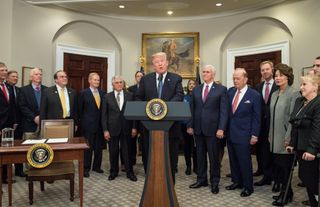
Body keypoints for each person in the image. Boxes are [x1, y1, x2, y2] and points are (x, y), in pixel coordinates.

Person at [135, 52, 184, 183]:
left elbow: (179, 96)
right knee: (150, 155)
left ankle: (170, 182)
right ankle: (150, 180)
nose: (160, 63)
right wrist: (149, 108)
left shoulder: (176, 79)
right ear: (153, 65)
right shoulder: (146, 79)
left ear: (167, 63)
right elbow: (138, 97)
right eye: (157, 62)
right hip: (149, 126)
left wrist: (163, 108)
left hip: (170, 127)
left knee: (170, 157)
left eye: (162, 61)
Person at [187, 65, 228, 194]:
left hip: (214, 130)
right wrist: (190, 125)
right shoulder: (196, 90)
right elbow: (191, 110)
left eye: (207, 72)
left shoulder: (221, 90)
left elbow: (224, 111)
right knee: (200, 156)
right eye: (203, 72)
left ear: (213, 74)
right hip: (198, 129)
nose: (204, 74)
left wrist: (221, 128)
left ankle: (214, 182)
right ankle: (201, 179)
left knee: (214, 157)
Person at [225, 68, 261, 197]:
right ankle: (237, 182)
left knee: (244, 161)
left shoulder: (254, 95)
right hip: (230, 133)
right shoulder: (230, 92)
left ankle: (248, 186)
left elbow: (257, 117)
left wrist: (255, 134)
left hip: (245, 134)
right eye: (234, 78)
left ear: (245, 79)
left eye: (238, 78)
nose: (235, 80)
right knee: (233, 160)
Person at [268, 63, 300, 206]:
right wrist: (270, 134)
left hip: (285, 137)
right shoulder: (274, 93)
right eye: (276, 76)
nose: (278, 78)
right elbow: (272, 117)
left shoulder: (293, 93)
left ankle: (285, 195)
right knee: (279, 167)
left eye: (281, 75)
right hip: (274, 136)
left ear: (288, 77)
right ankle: (287, 192)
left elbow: (293, 119)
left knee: (286, 168)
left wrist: (289, 138)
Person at [287, 75, 320, 207]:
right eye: (301, 84)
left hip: (311, 150)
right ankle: (314, 200)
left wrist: (311, 150)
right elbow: (295, 123)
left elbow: (317, 129)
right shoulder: (300, 101)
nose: (301, 87)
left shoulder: (318, 103)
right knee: (304, 176)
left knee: (312, 178)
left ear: (315, 86)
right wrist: (291, 143)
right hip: (300, 146)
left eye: (304, 84)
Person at [101, 75, 137, 182]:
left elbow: (134, 113)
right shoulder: (107, 97)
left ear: (123, 83)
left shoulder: (130, 95)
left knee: (127, 152)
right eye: (116, 82)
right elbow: (104, 115)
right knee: (113, 151)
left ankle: (130, 172)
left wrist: (134, 127)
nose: (119, 84)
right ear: (112, 84)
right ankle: (113, 172)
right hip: (112, 129)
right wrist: (105, 130)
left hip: (127, 128)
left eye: (121, 82)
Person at [254, 61, 279, 190]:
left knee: (275, 153)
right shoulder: (258, 86)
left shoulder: (279, 85)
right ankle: (267, 176)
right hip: (262, 126)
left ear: (272, 70)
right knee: (264, 152)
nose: (265, 72)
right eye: (262, 70)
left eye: (267, 69)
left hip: (275, 125)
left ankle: (277, 179)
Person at [78, 73, 105, 178]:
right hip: (88, 125)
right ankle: (86, 168)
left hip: (100, 125)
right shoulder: (83, 93)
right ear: (89, 80)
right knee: (88, 148)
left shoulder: (103, 93)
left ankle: (97, 166)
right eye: (95, 80)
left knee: (99, 147)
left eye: (98, 80)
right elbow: (80, 110)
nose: (97, 82)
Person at [6, 70, 25, 177]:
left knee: (19, 147)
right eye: (13, 76)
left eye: (17, 77)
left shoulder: (19, 90)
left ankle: (19, 170)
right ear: (8, 78)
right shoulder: (5, 89)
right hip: (8, 123)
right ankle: (7, 173)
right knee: (8, 148)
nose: (15, 78)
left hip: (19, 123)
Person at [0, 62, 16, 183]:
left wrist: (14, 121)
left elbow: (12, 106)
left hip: (8, 125)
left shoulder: (9, 87)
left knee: (7, 151)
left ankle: (5, 177)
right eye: (2, 70)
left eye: (6, 70)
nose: (5, 72)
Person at [19, 68, 47, 134]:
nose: (39, 76)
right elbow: (22, 106)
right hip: (29, 125)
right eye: (36, 74)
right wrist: (34, 117)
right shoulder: (23, 90)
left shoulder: (47, 90)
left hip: (44, 125)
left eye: (40, 74)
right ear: (31, 77)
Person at [127, 71, 144, 167]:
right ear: (135, 78)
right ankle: (132, 160)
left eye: (141, 76)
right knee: (131, 141)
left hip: (144, 118)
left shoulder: (148, 88)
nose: (139, 78)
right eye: (137, 76)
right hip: (133, 119)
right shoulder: (130, 89)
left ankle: (145, 160)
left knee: (144, 141)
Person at [181, 79, 197, 175]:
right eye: (190, 84)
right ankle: (188, 166)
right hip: (184, 126)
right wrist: (187, 125)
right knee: (186, 148)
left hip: (195, 126)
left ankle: (196, 167)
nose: (191, 85)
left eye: (193, 84)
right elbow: (183, 112)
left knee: (195, 148)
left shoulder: (198, 97)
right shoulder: (184, 97)